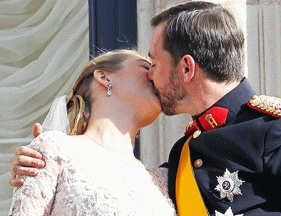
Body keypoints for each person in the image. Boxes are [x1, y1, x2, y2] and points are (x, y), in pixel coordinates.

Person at [10, 1, 281, 215]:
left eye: (153, 63)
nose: (151, 76)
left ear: (187, 68)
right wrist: (38, 164)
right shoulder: (181, 157)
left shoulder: (275, 129)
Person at [8, 49, 176, 215]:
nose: (155, 75)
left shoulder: (165, 179)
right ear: (104, 77)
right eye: (146, 67)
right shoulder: (56, 151)